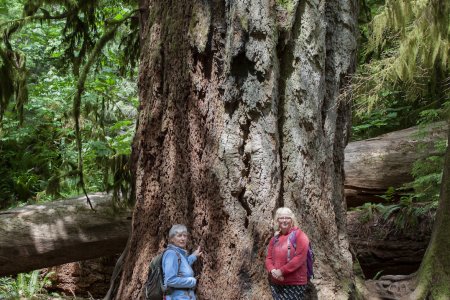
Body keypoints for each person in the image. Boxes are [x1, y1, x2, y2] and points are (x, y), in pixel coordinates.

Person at [265, 207, 310, 300]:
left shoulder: (299, 235)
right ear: (277, 220)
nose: (284, 220)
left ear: (292, 220)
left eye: (287, 218)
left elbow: (300, 258)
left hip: (295, 283)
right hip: (277, 283)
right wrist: (273, 271)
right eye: (281, 218)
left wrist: (281, 271)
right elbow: (268, 258)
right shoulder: (274, 239)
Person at [163, 224, 202, 300]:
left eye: (185, 236)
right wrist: (192, 281)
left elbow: (183, 267)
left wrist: (193, 256)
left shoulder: (179, 254)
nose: (183, 238)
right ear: (172, 239)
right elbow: (170, 280)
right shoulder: (171, 254)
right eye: (179, 235)